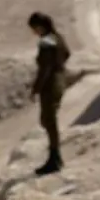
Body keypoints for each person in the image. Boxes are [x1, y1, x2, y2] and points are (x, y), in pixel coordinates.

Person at [28, 11, 71, 176]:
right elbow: (67, 54)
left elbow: (44, 70)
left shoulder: (46, 43)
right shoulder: (58, 38)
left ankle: (55, 158)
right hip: (60, 80)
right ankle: (54, 156)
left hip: (50, 84)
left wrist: (36, 88)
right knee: (48, 120)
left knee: (49, 120)